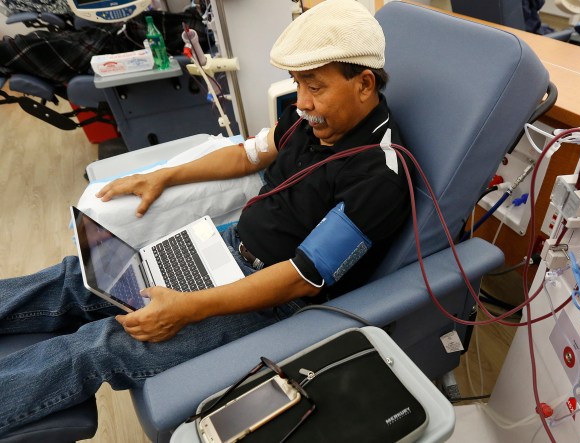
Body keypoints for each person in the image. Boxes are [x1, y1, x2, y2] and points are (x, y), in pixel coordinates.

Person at [0, 0, 411, 435]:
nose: (303, 102)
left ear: (364, 84)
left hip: (270, 303)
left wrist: (187, 308)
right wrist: (162, 176)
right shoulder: (310, 118)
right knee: (78, 277)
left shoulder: (377, 177)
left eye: (315, 87)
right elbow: (248, 154)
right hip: (223, 250)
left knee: (97, 347)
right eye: (297, 84)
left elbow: (300, 277)